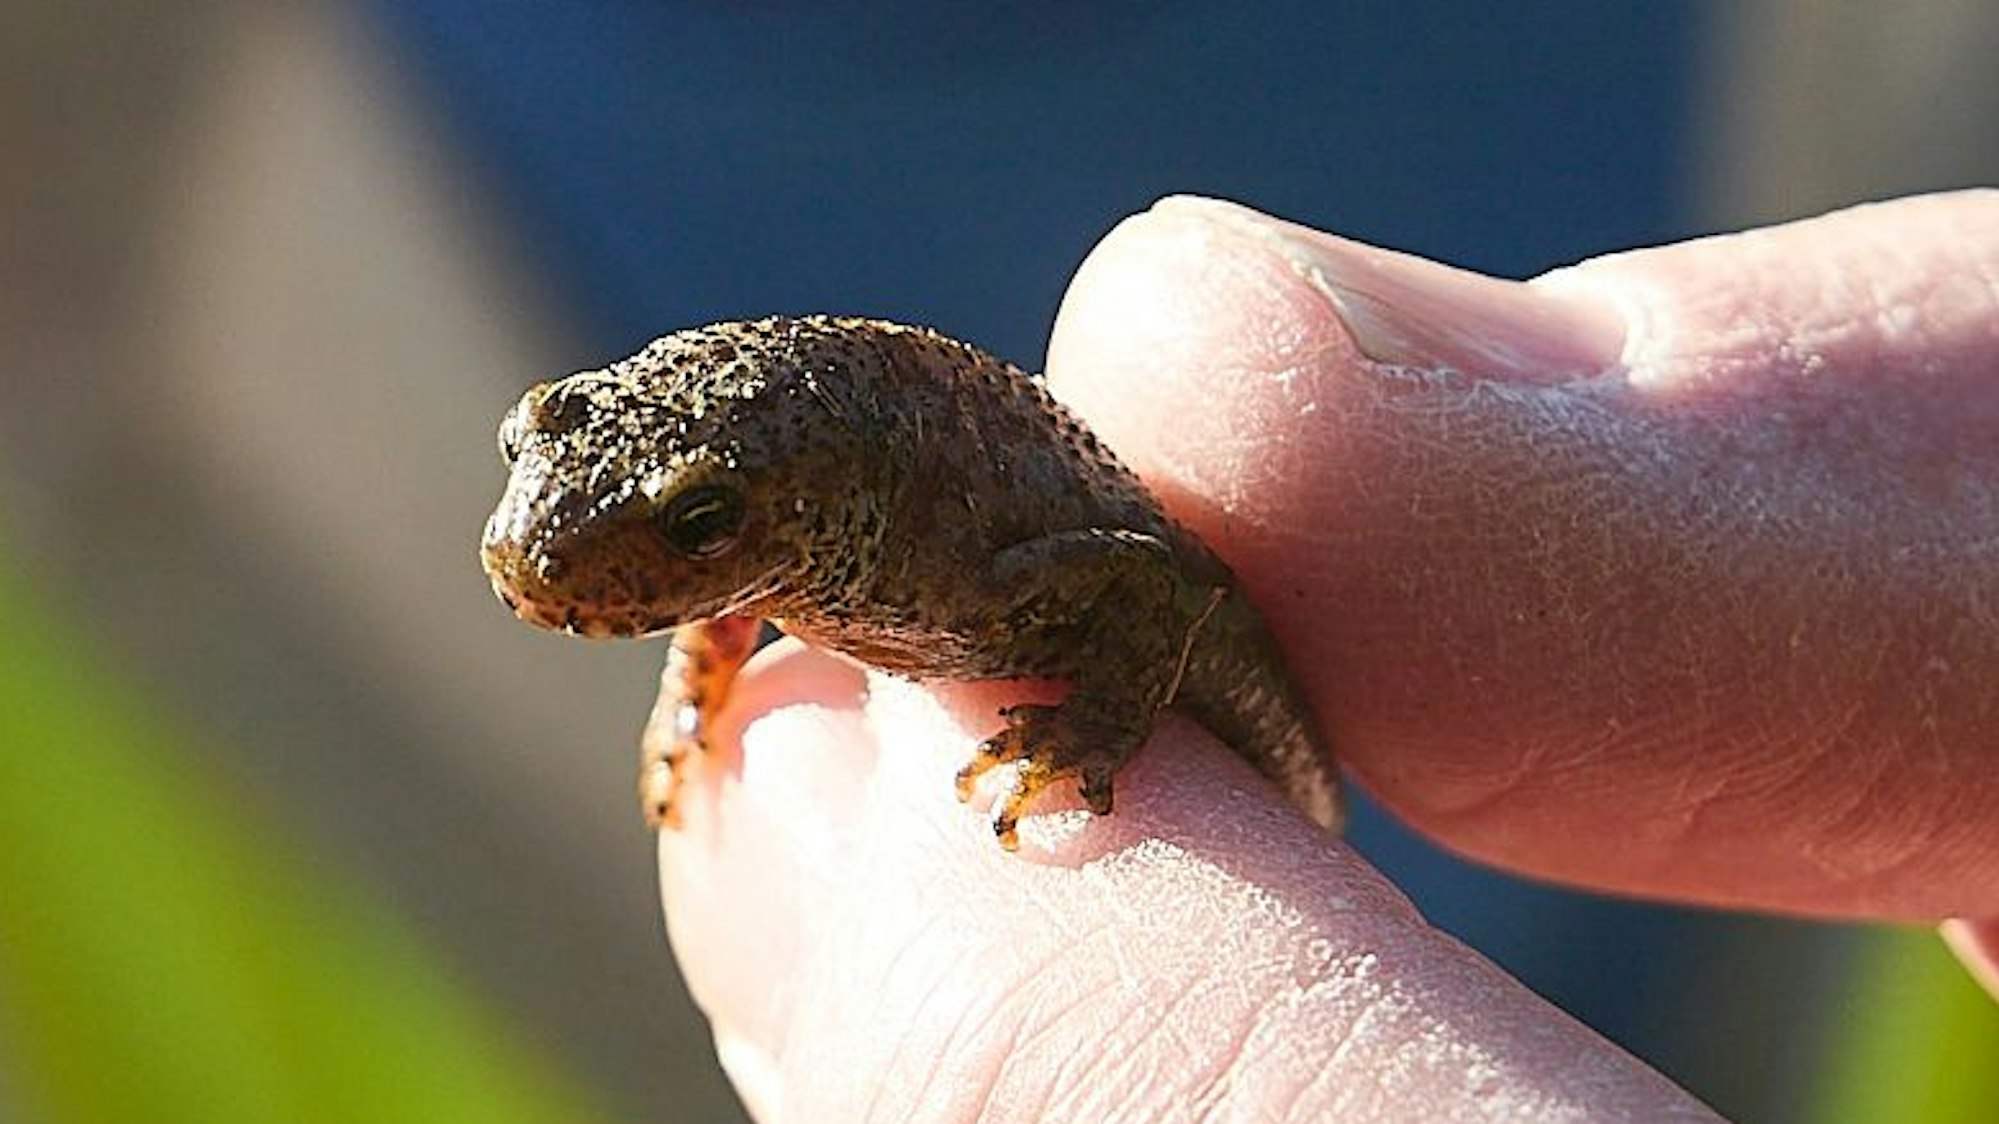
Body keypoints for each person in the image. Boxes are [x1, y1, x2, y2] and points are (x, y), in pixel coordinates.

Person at [655, 191, 1999, 1121]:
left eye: (693, 526)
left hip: (1251, 692)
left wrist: (1095, 732)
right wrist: (703, 676)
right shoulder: (797, 518)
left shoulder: (943, 554)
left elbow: (1133, 582)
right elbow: (740, 559)